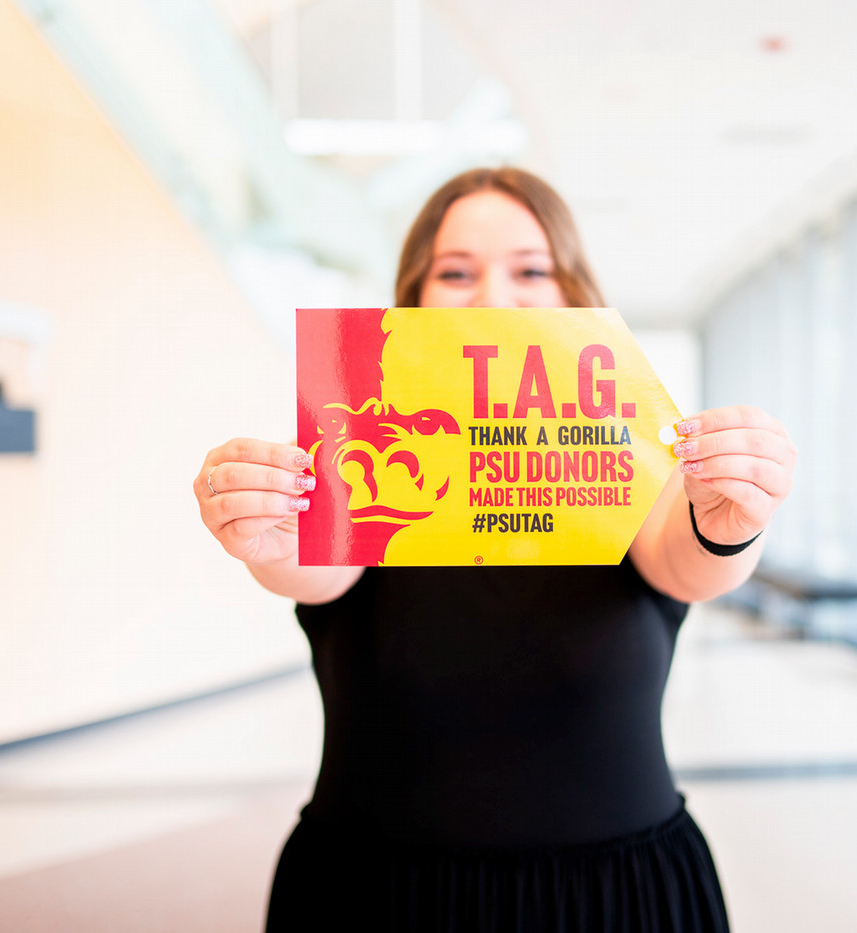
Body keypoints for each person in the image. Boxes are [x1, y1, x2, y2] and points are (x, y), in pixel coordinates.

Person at [194, 168, 797, 931]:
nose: (493, 298)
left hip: (614, 898)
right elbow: (314, 565)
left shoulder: (633, 460)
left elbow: (690, 555)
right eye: (455, 272)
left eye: (530, 270)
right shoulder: (356, 454)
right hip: (378, 896)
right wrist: (268, 528)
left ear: (573, 293)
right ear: (411, 299)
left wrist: (732, 512)